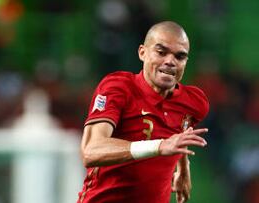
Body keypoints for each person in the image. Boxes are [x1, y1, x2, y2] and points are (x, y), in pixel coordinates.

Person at [78, 21, 210, 203]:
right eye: (161, 52)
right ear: (142, 52)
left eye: (179, 56)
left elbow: (181, 131)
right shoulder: (118, 88)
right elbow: (91, 151)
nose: (170, 61)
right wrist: (159, 146)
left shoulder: (194, 102)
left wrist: (183, 167)